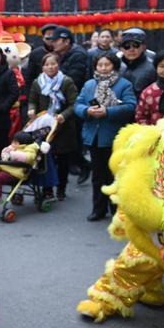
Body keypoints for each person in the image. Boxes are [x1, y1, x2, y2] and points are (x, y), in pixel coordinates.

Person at [75, 53, 137, 222]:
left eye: (107, 65)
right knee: (98, 175)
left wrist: (108, 112)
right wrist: (86, 111)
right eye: (100, 65)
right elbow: (78, 104)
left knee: (115, 175)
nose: (103, 68)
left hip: (114, 136)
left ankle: (117, 209)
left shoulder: (124, 84)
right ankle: (98, 209)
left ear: (114, 66)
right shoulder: (89, 84)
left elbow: (130, 106)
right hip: (94, 136)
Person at [28, 53, 79, 200]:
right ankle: (47, 189)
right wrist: (31, 109)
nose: (50, 67)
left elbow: (74, 103)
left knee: (63, 160)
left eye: (53, 64)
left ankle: (61, 188)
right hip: (44, 128)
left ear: (58, 65)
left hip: (63, 126)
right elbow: (32, 100)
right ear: (42, 67)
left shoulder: (66, 82)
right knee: (45, 160)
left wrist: (64, 115)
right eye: (47, 64)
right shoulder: (38, 82)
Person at [52, 26, 91, 182]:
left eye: (56, 40)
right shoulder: (62, 55)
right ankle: (73, 166)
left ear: (66, 41)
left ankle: (83, 165)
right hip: (63, 101)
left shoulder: (78, 55)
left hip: (75, 102)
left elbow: (74, 80)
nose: (53, 43)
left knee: (72, 139)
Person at [0, 132, 47, 209]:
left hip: (17, 173)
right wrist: (5, 152)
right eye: (13, 141)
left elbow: (28, 158)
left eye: (15, 142)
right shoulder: (13, 147)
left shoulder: (30, 149)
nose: (12, 143)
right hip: (6, 169)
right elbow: (4, 155)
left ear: (22, 143)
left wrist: (13, 154)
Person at [118, 28, 156, 98]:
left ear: (143, 47)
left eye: (136, 45)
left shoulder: (153, 68)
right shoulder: (115, 66)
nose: (131, 49)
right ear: (121, 49)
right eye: (127, 46)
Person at [24, 23, 57, 89]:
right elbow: (29, 76)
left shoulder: (62, 52)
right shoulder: (35, 54)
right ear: (43, 38)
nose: (51, 39)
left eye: (53, 35)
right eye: (48, 35)